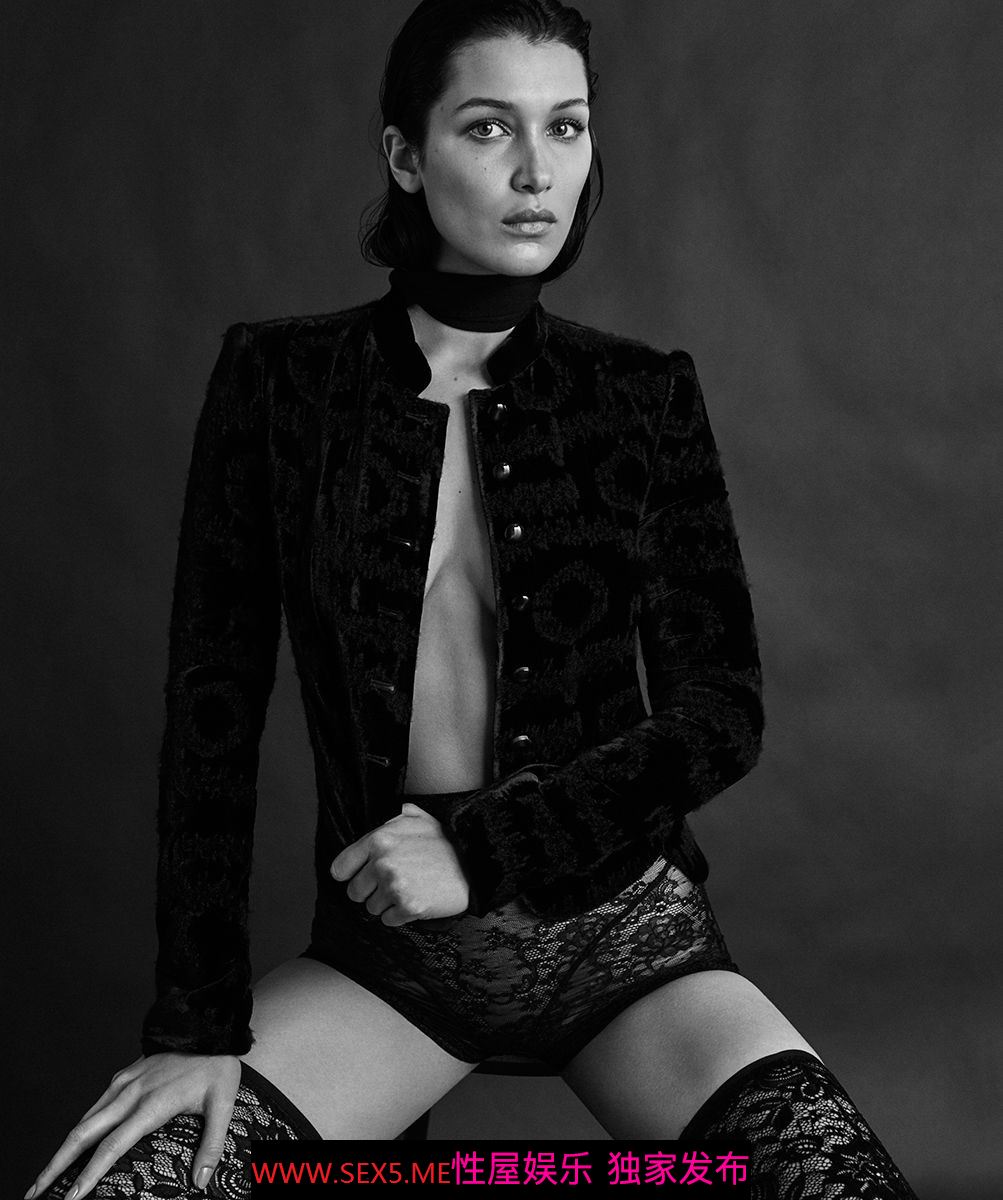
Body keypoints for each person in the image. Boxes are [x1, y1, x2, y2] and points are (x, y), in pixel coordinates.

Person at [28, 2, 920, 1197]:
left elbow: (722, 712)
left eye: (568, 127)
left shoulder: (640, 395)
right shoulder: (281, 384)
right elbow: (213, 712)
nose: (537, 171)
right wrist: (193, 1022)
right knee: (125, 1187)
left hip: (627, 943)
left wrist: (483, 847)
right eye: (490, 127)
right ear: (407, 155)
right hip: (392, 967)